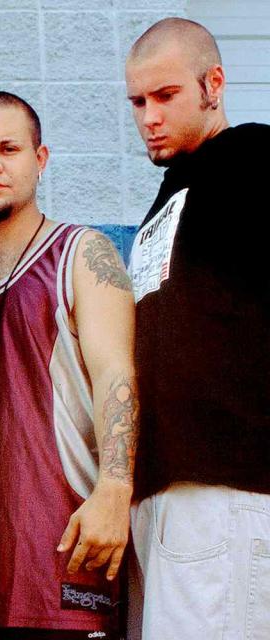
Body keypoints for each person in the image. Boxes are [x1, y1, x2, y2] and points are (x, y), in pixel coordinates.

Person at [0, 92, 137, 640]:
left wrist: (116, 489)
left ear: (39, 159)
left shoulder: (83, 254)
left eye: (9, 148)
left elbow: (119, 372)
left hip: (64, 561)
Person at [124, 17, 270, 639]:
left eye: (166, 96)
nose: (149, 116)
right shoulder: (167, 198)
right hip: (159, 492)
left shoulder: (252, 159)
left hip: (226, 483)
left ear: (214, 84)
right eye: (137, 102)